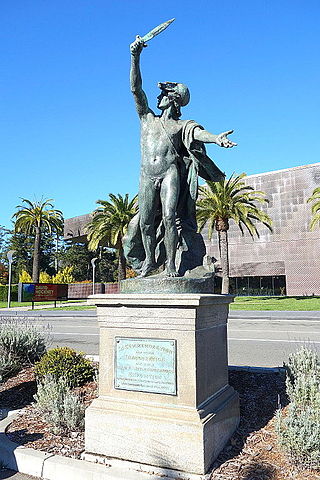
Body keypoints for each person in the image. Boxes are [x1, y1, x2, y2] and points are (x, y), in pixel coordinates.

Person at [125, 35, 236, 278]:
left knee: (168, 217)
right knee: (144, 222)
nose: (158, 97)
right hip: (147, 174)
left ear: (173, 100)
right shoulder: (146, 118)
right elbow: (135, 88)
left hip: (169, 173)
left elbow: (199, 133)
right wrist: (135, 56)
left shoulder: (181, 125)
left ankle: (172, 266)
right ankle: (149, 263)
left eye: (164, 94)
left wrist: (216, 138)